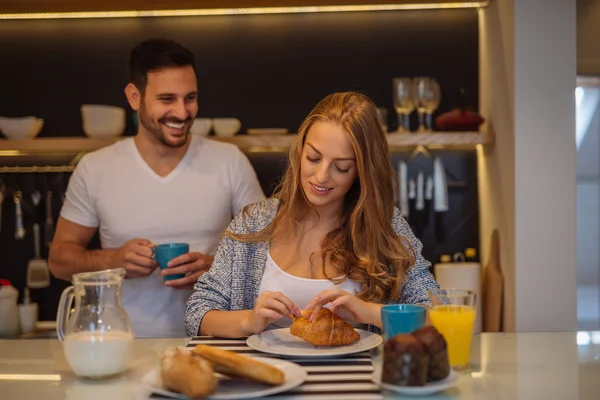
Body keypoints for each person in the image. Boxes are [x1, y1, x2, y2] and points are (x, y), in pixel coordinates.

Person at [49, 38, 265, 337]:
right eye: (167, 99)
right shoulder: (95, 167)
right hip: (122, 346)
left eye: (190, 98)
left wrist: (216, 267)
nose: (182, 112)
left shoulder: (230, 161)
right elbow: (59, 260)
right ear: (134, 97)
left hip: (214, 343)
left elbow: (269, 254)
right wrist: (113, 259)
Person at [184, 91, 440, 338]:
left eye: (341, 167)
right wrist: (249, 320)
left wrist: (370, 313)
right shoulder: (253, 222)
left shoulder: (386, 226)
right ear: (299, 151)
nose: (321, 177)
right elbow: (197, 313)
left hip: (357, 380)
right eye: (313, 158)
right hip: (270, 380)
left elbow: (438, 314)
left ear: (362, 171)